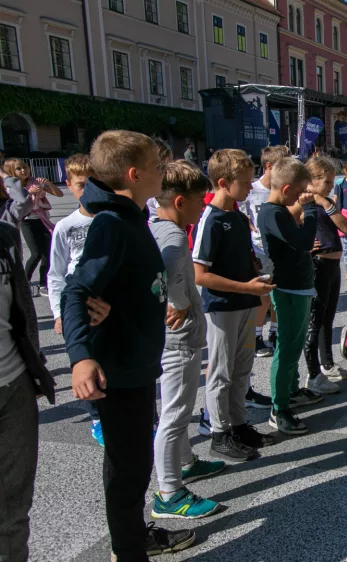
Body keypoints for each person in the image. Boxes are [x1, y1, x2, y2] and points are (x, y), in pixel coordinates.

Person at [62, 130, 196, 560]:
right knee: (128, 467)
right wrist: (81, 356)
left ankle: (134, 536)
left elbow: (119, 282)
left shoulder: (130, 216)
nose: (164, 172)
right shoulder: (111, 224)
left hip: (137, 358)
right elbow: (75, 290)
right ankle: (129, 549)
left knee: (135, 463)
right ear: (135, 175)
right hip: (118, 366)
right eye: (158, 166)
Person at [149, 161, 226, 520]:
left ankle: (185, 462)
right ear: (180, 201)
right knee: (175, 413)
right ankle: (169, 492)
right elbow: (166, 270)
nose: (203, 204)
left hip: (172, 336)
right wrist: (178, 302)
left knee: (173, 406)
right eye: (199, 199)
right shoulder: (175, 235)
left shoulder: (156, 226)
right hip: (178, 338)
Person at [193, 149, 276, 461]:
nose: (251, 185)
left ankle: (239, 425)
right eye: (245, 181)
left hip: (244, 301)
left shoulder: (239, 216)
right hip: (223, 306)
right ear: (223, 182)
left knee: (242, 366)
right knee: (221, 371)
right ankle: (219, 432)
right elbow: (200, 273)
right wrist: (245, 285)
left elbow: (242, 258)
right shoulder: (211, 220)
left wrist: (254, 270)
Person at [0, 202, 57, 562]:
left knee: (14, 509)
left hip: (13, 384)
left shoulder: (4, 237)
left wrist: (33, 366)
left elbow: (20, 309)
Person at [258, 157, 324, 435]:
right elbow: (303, 242)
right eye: (298, 193)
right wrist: (310, 210)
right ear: (286, 190)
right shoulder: (272, 213)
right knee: (286, 350)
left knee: (293, 346)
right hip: (289, 289)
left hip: (298, 285)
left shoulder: (279, 210)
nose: (301, 197)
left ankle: (291, 391)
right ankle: (279, 408)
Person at [47, 154, 109, 446]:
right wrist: (60, 312)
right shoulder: (66, 227)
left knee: (116, 363)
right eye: (81, 185)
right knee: (89, 364)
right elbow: (56, 274)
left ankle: (134, 416)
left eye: (93, 183)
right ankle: (97, 418)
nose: (87, 190)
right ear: (69, 185)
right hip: (82, 307)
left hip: (111, 305)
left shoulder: (112, 221)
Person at [300, 156, 347, 395]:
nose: (332, 186)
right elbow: (291, 223)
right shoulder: (303, 202)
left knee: (328, 319)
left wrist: (326, 202)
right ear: (312, 180)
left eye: (333, 181)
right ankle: (313, 375)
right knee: (315, 322)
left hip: (332, 267)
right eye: (328, 182)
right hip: (318, 265)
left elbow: (346, 227)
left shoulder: (324, 201)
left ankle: (328, 365)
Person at [245, 145, 291, 357]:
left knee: (278, 294)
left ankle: (275, 332)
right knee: (263, 296)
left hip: (279, 249)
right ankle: (255, 336)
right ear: (269, 166)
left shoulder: (281, 190)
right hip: (258, 249)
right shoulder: (251, 190)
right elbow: (240, 212)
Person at [4, 158, 63, 295]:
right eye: (19, 168)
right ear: (11, 171)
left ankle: (43, 284)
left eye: (25, 167)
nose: (23, 170)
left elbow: (59, 194)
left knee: (48, 253)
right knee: (36, 253)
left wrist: (49, 184)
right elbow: (14, 206)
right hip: (26, 222)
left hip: (41, 220)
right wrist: (29, 193)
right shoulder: (12, 188)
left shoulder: (36, 181)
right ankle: (24, 281)